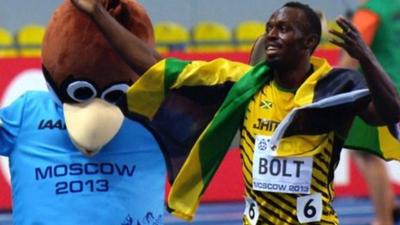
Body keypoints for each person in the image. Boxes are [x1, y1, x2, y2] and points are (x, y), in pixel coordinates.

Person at [71, 0, 400, 224]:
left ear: (309, 42)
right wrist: (99, 15)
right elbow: (157, 66)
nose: (271, 33)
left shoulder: (336, 87)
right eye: (270, 26)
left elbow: (390, 112)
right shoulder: (242, 83)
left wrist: (367, 59)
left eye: (284, 28)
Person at [338, 1, 400, 224]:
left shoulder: (369, 12)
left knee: (367, 155)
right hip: (395, 86)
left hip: (377, 94)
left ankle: (383, 219)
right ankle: (390, 204)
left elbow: (351, 57)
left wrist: (330, 87)